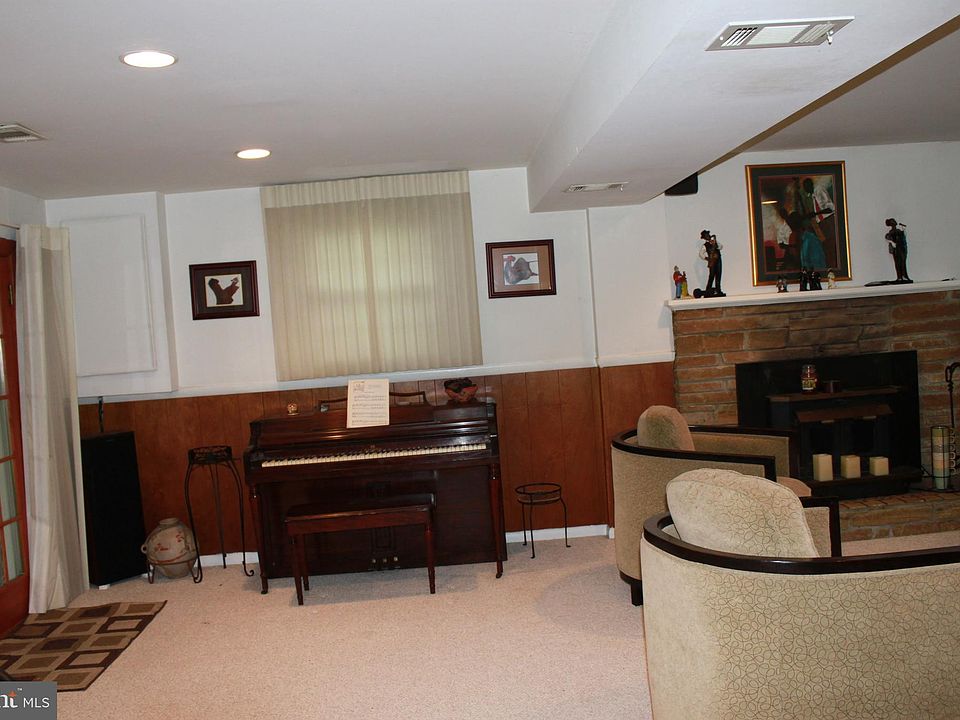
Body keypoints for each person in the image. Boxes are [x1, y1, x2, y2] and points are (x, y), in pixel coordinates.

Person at [698, 230, 724, 297]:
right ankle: (708, 290)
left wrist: (715, 244)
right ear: (704, 238)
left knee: (718, 275)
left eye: (708, 234)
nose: (708, 236)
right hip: (712, 261)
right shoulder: (705, 245)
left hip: (718, 260)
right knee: (711, 276)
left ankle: (718, 290)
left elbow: (721, 247)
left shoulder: (714, 241)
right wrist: (707, 258)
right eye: (706, 235)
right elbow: (700, 254)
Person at [885, 218, 911, 282]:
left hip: (901, 248)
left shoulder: (898, 230)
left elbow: (903, 236)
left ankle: (904, 276)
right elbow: (887, 238)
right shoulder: (891, 232)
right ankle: (899, 277)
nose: (895, 222)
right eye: (893, 221)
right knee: (898, 262)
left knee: (903, 262)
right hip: (896, 249)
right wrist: (892, 242)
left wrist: (904, 229)